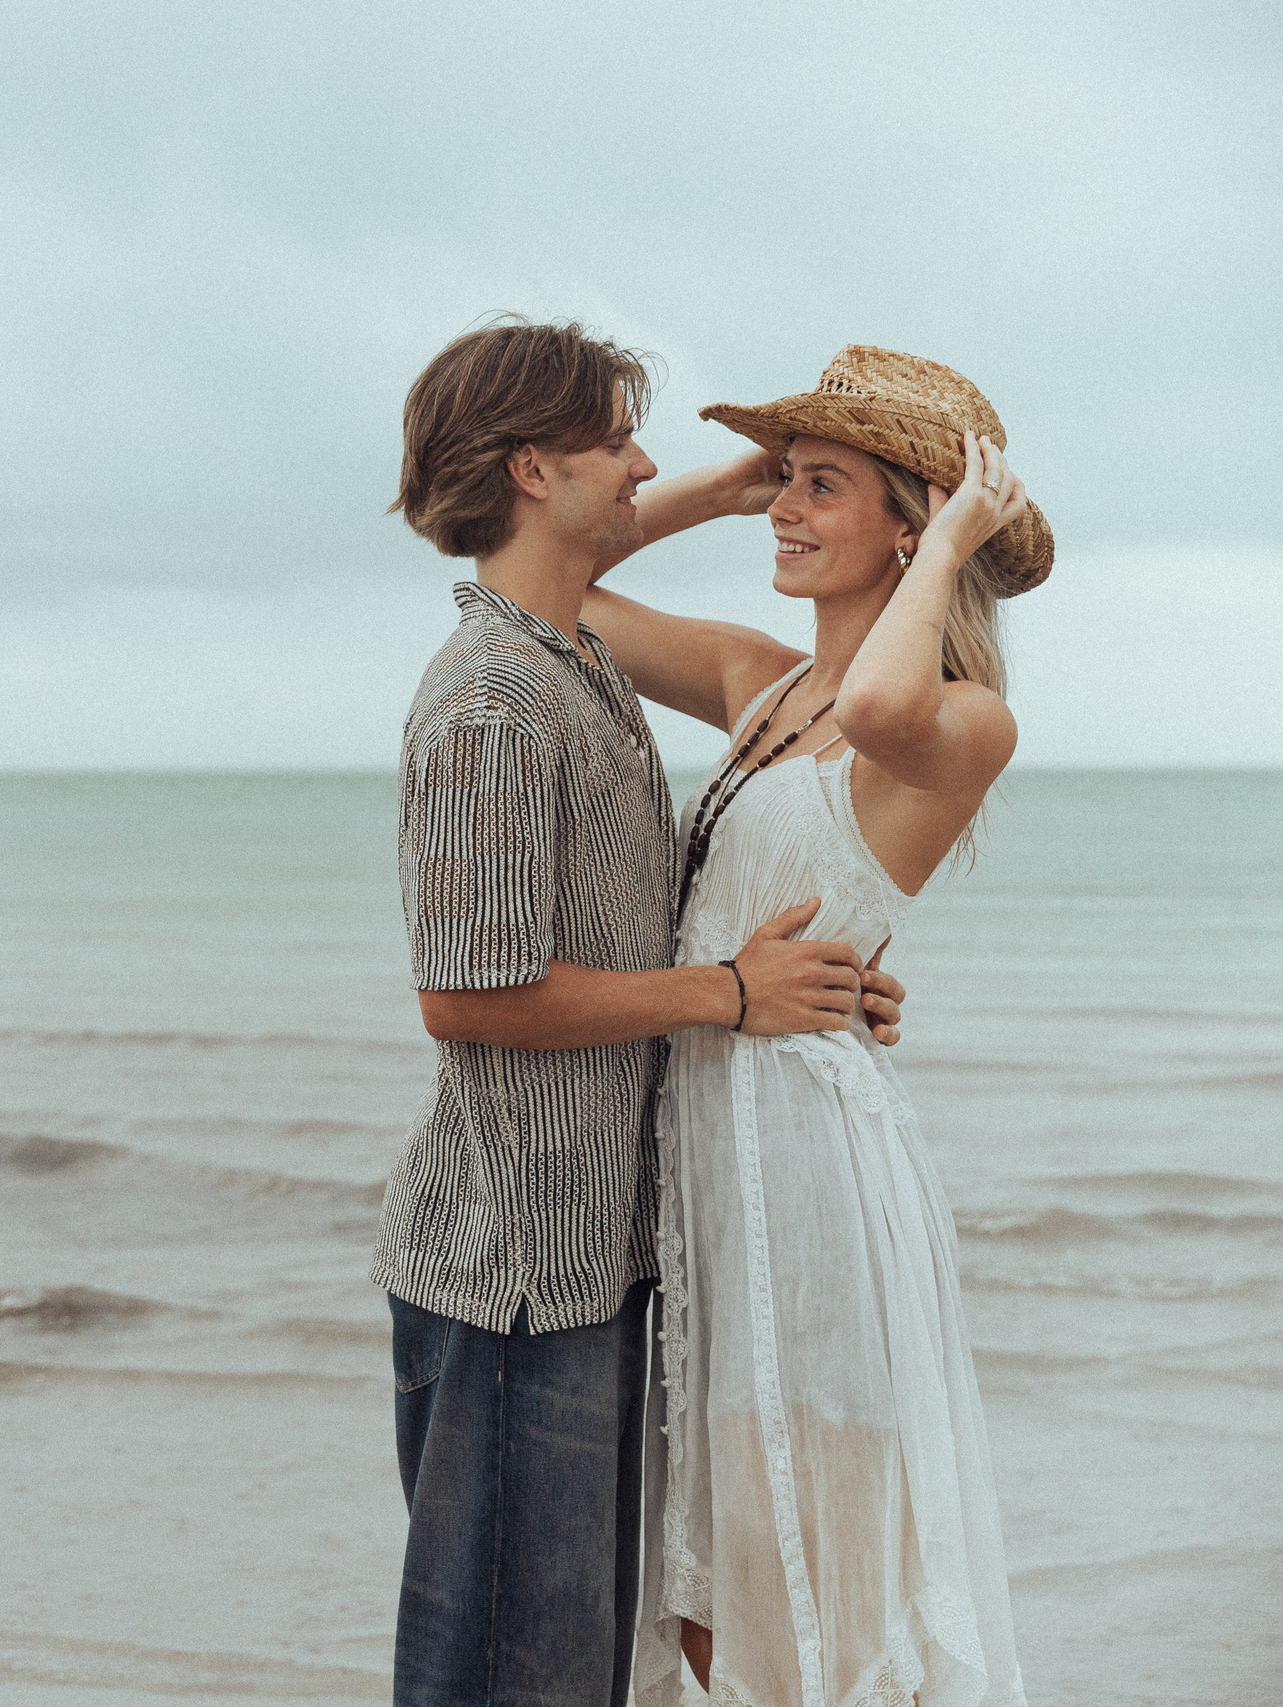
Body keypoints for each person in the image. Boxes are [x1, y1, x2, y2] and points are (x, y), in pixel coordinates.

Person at [375, 318, 909, 1706]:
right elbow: (468, 991)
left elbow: (640, 917)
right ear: (534, 466)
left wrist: (806, 985)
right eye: (617, 439)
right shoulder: (495, 699)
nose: (648, 461)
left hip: (594, 1253)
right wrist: (734, 995)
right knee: (505, 1673)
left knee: (570, 1664)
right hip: (512, 1268)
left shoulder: (572, 660)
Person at [584, 347, 1038, 1705]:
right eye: (786, 481)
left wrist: (960, 528)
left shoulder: (965, 719)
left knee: (829, 1547)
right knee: (722, 1578)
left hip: (818, 1178)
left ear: (910, 519)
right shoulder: (760, 683)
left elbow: (888, 703)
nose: (787, 508)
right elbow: (557, 589)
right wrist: (721, 491)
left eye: (819, 485)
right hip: (716, 1166)